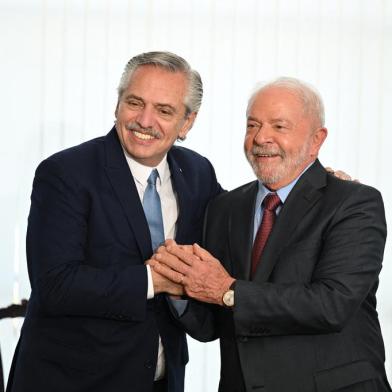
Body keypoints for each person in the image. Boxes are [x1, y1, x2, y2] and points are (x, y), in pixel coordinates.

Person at [151, 77, 391, 391]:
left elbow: (332, 304)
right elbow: (213, 323)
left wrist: (228, 290)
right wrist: (181, 289)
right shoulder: (225, 207)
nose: (262, 137)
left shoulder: (355, 202)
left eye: (279, 126)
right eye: (253, 125)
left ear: (316, 140)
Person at [6, 51, 223, 392]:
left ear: (187, 122)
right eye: (135, 102)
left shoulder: (197, 173)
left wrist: (310, 185)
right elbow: (55, 285)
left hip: (161, 382)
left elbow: (240, 222)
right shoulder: (66, 173)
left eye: (164, 110)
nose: (145, 120)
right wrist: (154, 281)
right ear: (118, 104)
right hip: (71, 382)